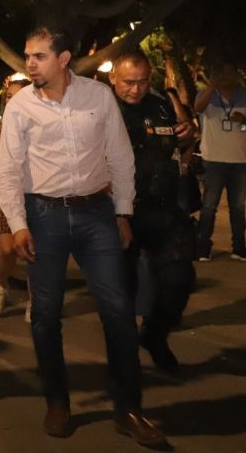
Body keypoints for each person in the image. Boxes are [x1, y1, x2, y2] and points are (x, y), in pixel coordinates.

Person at [0, 26, 167, 447]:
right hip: (44, 216)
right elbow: (8, 170)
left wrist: (123, 212)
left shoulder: (98, 96)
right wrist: (18, 224)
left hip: (96, 214)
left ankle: (129, 409)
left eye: (39, 56)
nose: (30, 64)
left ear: (63, 59)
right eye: (28, 56)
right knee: (45, 315)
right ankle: (57, 402)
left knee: (119, 311)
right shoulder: (20, 106)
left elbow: (120, 156)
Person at [109, 51, 197, 371]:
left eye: (143, 81)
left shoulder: (161, 104)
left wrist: (187, 134)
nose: (136, 89)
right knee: (121, 291)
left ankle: (155, 334)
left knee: (180, 279)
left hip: (162, 208)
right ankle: (124, 363)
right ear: (113, 78)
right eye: (128, 82)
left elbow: (182, 141)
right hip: (119, 212)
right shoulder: (101, 107)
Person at [0, 77, 32, 319]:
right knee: (7, 248)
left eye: (17, 96)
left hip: (35, 194)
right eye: (9, 96)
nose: (11, 101)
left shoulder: (39, 124)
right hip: (5, 193)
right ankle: (1, 284)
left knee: (34, 248)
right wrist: (0, 172)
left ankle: (35, 298)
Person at [192, 62, 246, 260]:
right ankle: (203, 247)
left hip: (240, 160)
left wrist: (244, 122)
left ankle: (239, 247)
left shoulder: (243, 97)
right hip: (214, 159)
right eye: (221, 73)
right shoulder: (206, 96)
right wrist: (212, 86)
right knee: (209, 206)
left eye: (230, 72)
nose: (225, 76)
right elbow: (198, 108)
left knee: (238, 207)